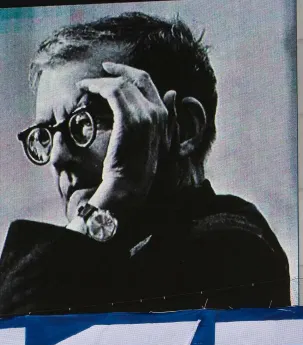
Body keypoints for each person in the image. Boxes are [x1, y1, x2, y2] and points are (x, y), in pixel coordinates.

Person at [3, 12, 290, 316]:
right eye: (45, 135)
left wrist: (119, 183)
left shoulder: (232, 247)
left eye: (84, 124)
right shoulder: (116, 245)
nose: (58, 157)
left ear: (185, 128)